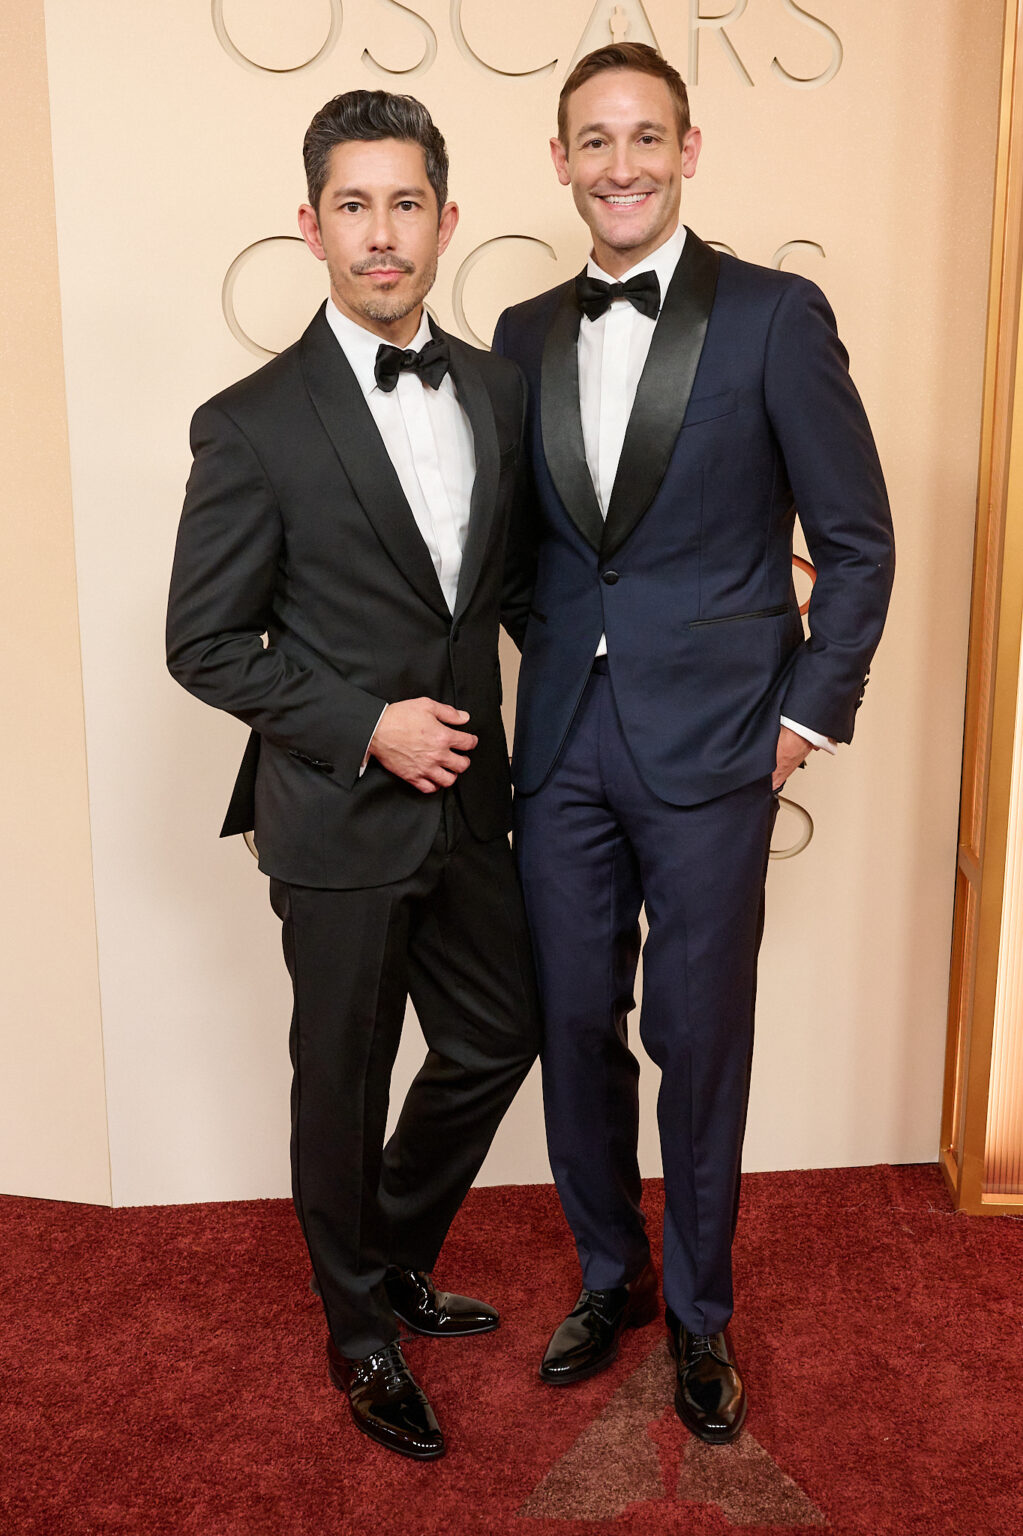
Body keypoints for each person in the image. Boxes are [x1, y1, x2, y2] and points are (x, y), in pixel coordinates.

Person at [494, 43, 894, 1444]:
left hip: (721, 744)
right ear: (558, 161)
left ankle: (703, 1316)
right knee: (572, 1027)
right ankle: (611, 1282)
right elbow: (512, 552)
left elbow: (856, 543)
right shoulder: (522, 334)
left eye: (644, 138)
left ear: (690, 148)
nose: (619, 165)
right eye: (592, 141)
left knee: (700, 1037)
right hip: (560, 746)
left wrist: (801, 717)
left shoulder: (778, 318)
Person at [166, 89, 540, 1463]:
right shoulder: (249, 423)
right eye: (352, 205)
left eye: (405, 204)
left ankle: (383, 1259)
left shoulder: (497, 387)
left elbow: (511, 591)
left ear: (445, 217)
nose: (381, 235)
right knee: (342, 1076)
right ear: (309, 222)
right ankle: (361, 1332)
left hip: (476, 804)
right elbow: (202, 642)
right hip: (336, 810)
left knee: (504, 1030)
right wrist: (365, 723)